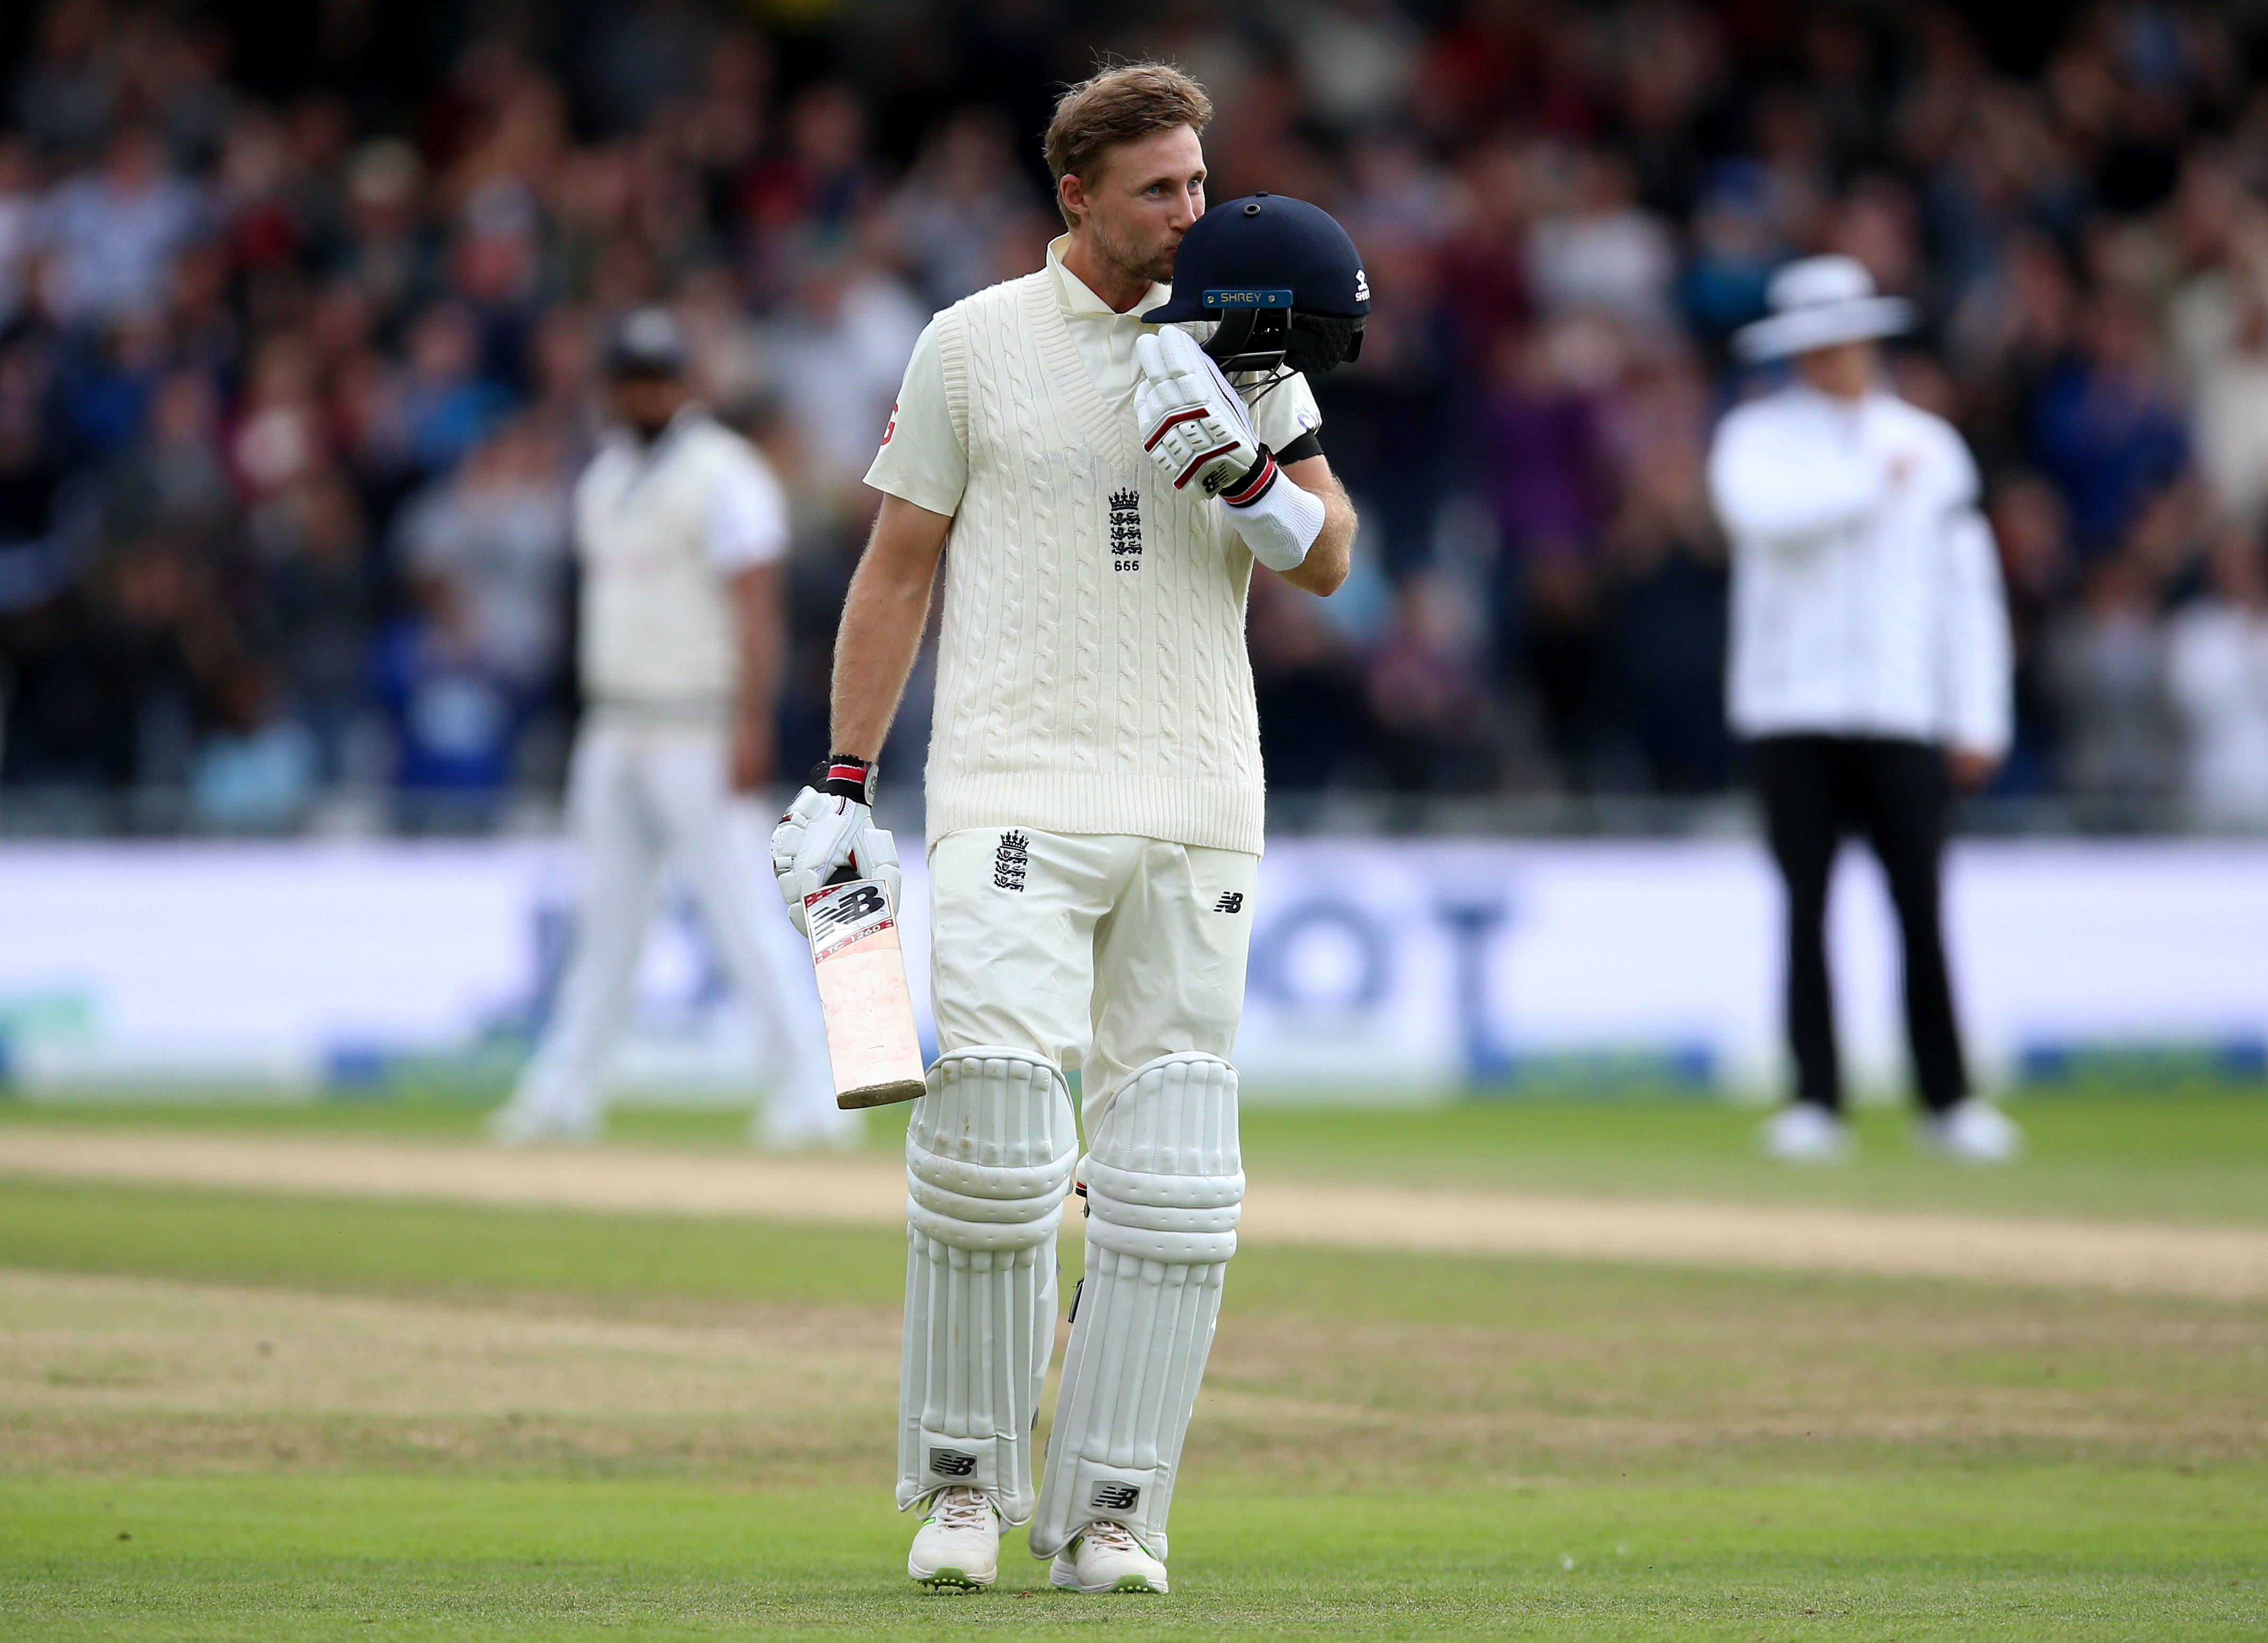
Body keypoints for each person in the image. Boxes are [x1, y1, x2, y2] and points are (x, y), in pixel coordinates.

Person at [770, 64, 1361, 1594]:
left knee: (1167, 1168)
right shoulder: (971, 345)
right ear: (1077, 195)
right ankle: (964, 1489)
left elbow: (1330, 557)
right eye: (1161, 187)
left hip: (1198, 800)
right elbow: (898, 566)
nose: (1191, 211)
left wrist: (1244, 472)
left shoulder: (1246, 333)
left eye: (1198, 180)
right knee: (995, 1131)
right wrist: (844, 773)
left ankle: (1114, 1515)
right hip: (1013, 785)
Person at [489, 308, 853, 1150]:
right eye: (630, 377)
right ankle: (563, 1093)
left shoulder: (726, 474)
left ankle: (808, 1091)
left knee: (739, 915)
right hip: (614, 721)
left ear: (682, 382)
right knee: (602, 919)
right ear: (612, 387)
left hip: (698, 723)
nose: (644, 391)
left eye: (658, 375)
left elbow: (757, 603)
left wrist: (750, 721)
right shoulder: (603, 476)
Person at [1708, 255, 2021, 1164]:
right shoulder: (1757, 437)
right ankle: (1815, 1099)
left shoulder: (1928, 445)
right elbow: (1758, 516)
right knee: (1804, 907)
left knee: (1919, 907)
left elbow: (1969, 591)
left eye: (1841, 341)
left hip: (1901, 709)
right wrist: (1867, 483)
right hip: (1787, 706)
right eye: (1811, 345)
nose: (1829, 360)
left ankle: (1948, 1099)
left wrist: (1979, 715)